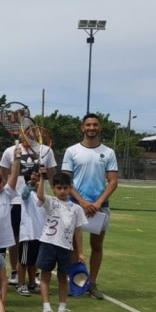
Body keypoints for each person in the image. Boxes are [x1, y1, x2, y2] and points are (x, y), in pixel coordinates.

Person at [61, 113, 118, 300]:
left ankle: (92, 284)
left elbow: (113, 182)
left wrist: (98, 202)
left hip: (99, 207)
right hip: (76, 205)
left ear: (99, 128)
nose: (91, 128)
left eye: (95, 125)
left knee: (97, 246)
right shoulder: (72, 151)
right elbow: (65, 180)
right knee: (73, 246)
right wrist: (83, 202)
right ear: (82, 128)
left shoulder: (108, 153)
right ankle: (75, 283)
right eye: (88, 125)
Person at [0, 131, 58, 287]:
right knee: (15, 238)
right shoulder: (10, 151)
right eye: (24, 131)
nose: (28, 134)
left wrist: (54, 196)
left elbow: (52, 176)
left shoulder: (46, 151)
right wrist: (9, 193)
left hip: (39, 202)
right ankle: (14, 271)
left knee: (38, 237)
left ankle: (35, 273)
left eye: (31, 130)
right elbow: (3, 174)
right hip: (16, 201)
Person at [35, 169, 87, 312]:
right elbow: (39, 196)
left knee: (63, 277)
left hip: (66, 247)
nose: (62, 191)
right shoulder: (51, 201)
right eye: (59, 188)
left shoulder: (76, 209)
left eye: (66, 188)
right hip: (48, 243)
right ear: (54, 188)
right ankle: (47, 309)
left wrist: (81, 252)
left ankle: (62, 308)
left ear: (70, 188)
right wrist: (42, 178)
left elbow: (78, 232)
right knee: (45, 276)